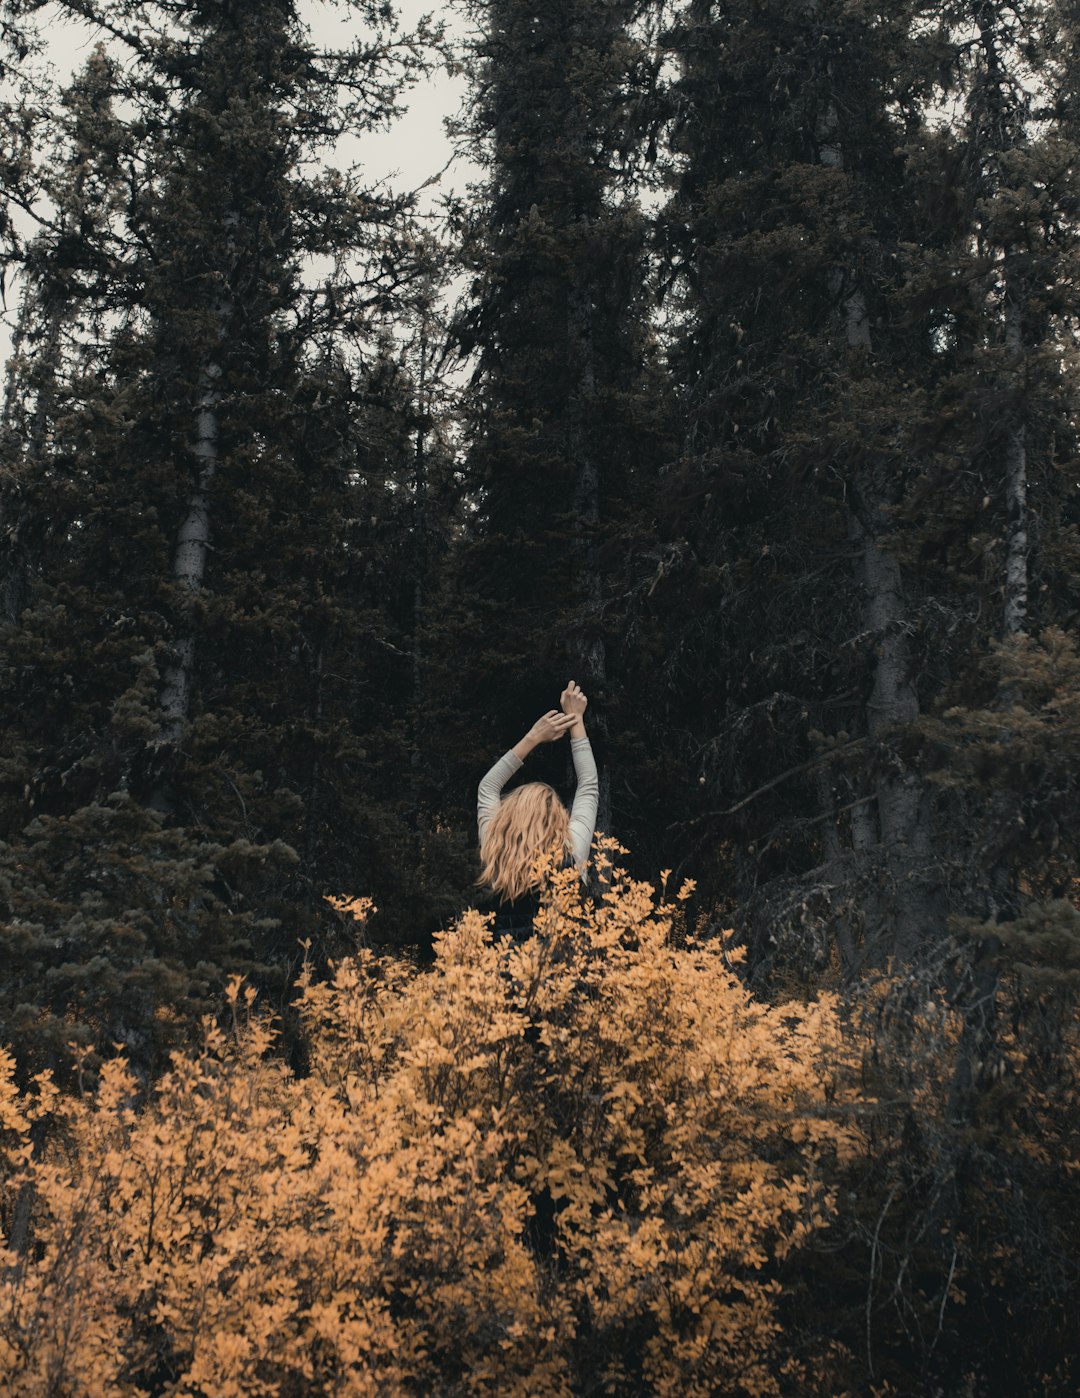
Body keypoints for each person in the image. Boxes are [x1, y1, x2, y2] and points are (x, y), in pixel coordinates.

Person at [477, 680, 599, 941]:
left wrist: (533, 737)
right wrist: (575, 719)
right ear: (556, 818)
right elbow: (588, 786)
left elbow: (488, 788)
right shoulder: (572, 850)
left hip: (500, 977)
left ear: (509, 818)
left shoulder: (494, 853)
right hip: (563, 977)